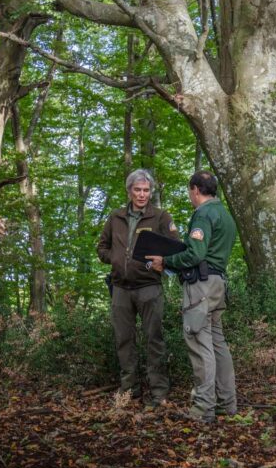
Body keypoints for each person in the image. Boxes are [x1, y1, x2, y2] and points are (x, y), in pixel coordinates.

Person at [147, 170, 237, 423]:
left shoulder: (204, 214)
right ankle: (227, 403)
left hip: (201, 286)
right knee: (218, 343)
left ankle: (203, 408)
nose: (190, 195)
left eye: (190, 191)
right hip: (218, 284)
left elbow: (195, 254)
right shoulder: (225, 215)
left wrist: (166, 261)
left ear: (195, 189)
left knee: (199, 343)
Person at [97, 169, 178, 405]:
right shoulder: (116, 217)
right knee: (124, 340)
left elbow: (176, 247)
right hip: (121, 288)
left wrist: (162, 262)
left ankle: (158, 392)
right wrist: (113, 258)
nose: (142, 195)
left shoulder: (161, 217)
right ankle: (128, 390)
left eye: (146, 190)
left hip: (149, 287)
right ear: (129, 191)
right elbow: (101, 247)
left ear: (151, 192)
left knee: (154, 338)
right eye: (137, 190)